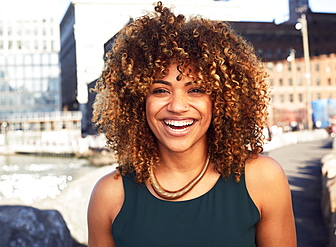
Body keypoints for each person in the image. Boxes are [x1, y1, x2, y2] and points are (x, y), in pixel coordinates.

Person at [88, 2, 296, 246]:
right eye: (160, 90)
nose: (177, 106)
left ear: (220, 100)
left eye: (196, 89)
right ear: (137, 100)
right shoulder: (110, 196)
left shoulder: (262, 179)